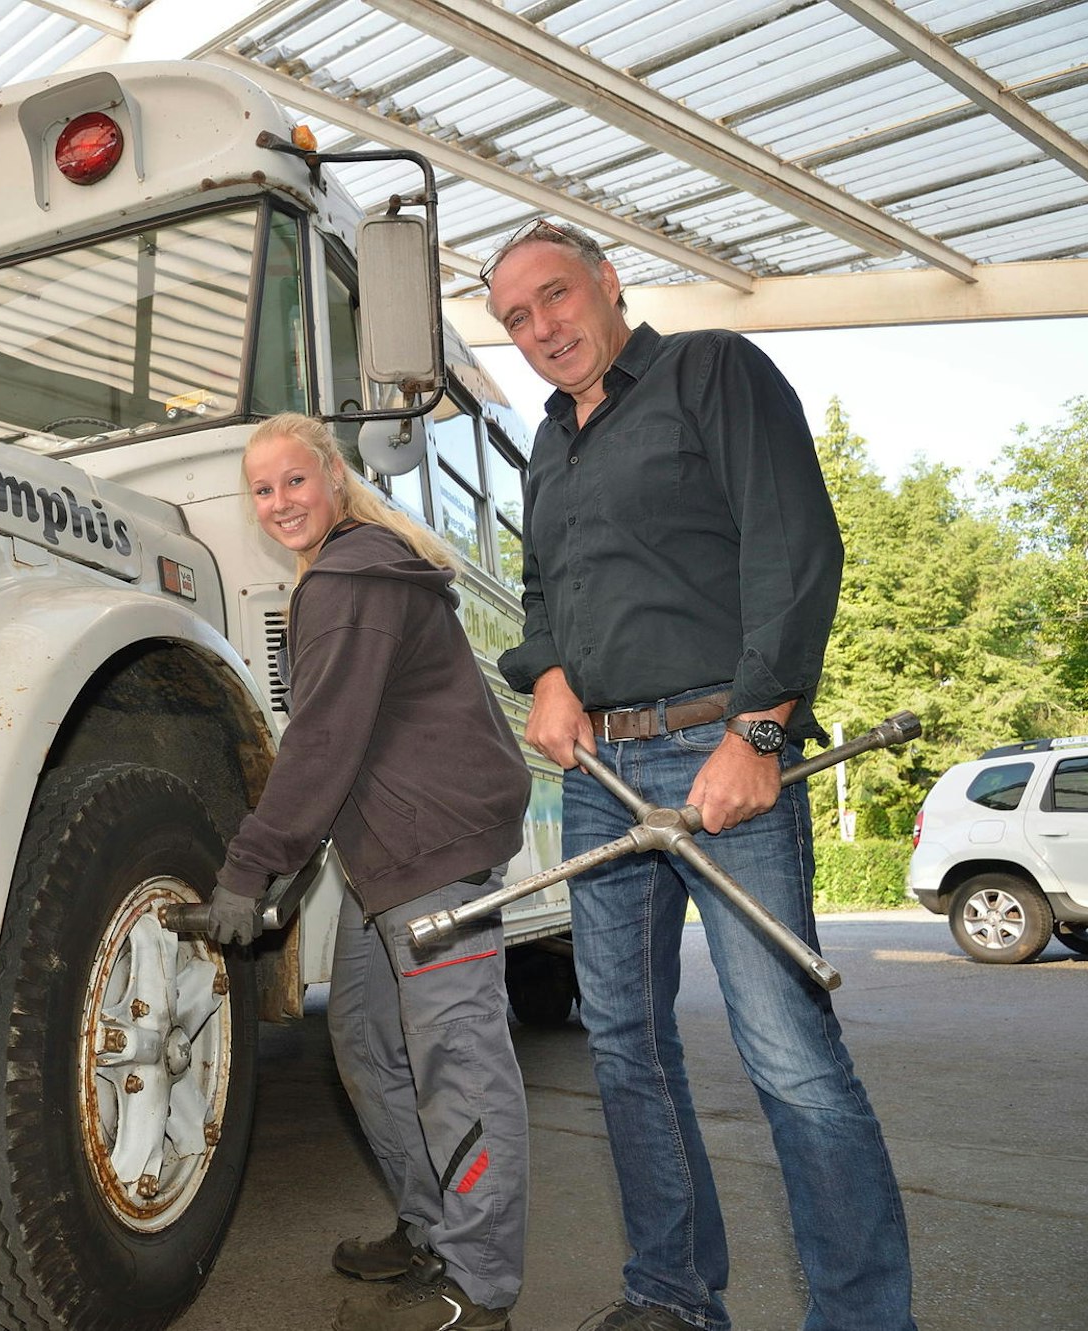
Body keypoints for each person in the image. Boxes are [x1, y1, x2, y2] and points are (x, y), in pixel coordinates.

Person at [483, 219, 916, 1331]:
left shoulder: (710, 368)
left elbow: (792, 543)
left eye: (553, 297)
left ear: (607, 281)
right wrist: (550, 675)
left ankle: (863, 1318)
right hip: (600, 770)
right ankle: (671, 1294)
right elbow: (545, 593)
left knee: (785, 1050)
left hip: (714, 743)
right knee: (624, 1045)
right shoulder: (545, 442)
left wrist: (758, 732)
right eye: (514, 320)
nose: (538, 329)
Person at [208, 412, 533, 1331]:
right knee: (362, 1034)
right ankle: (430, 1224)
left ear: (334, 479)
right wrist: (288, 861)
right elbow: (340, 748)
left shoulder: (348, 578)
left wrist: (250, 868)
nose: (279, 502)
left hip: (432, 849)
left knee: (457, 1065)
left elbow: (319, 746)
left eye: (293, 481)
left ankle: (482, 1287)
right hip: (389, 850)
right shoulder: (346, 571)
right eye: (263, 490)